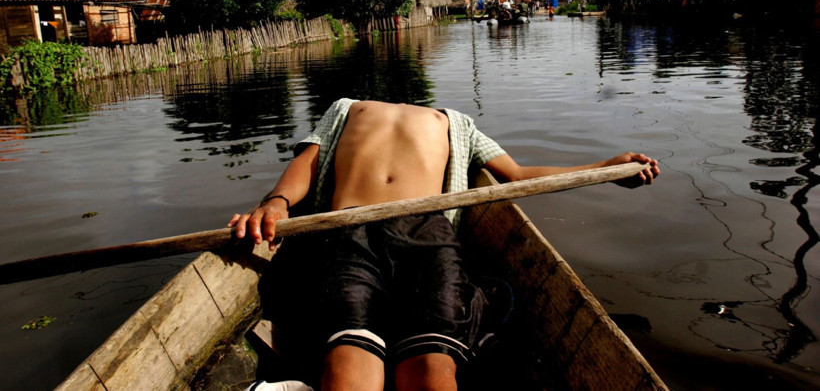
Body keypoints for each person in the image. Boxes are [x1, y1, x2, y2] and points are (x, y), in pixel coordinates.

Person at [229, 99, 659, 391]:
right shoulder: (345, 108)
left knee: (433, 372)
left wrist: (604, 167)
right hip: (349, 230)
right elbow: (308, 161)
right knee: (347, 368)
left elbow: (518, 176)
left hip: (428, 236)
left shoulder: (457, 122)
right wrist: (277, 202)